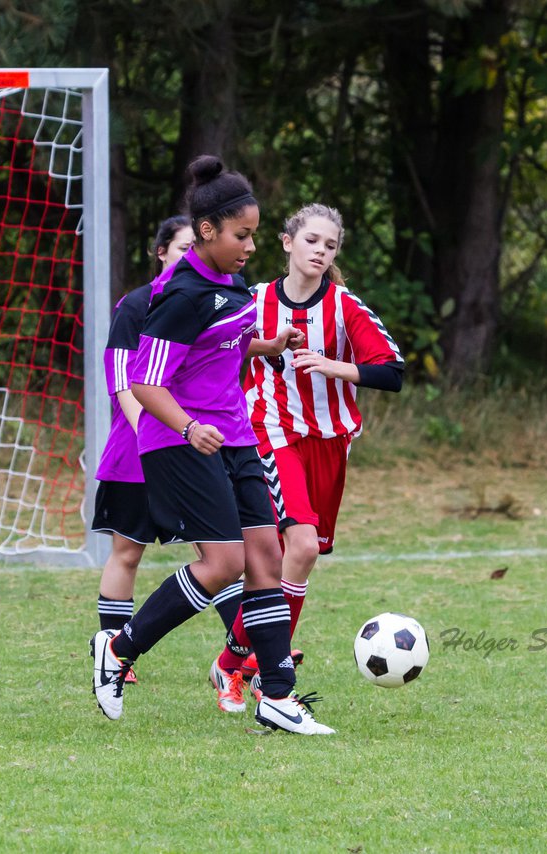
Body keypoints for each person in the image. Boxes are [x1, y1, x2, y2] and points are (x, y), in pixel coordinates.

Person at [90, 155, 334, 735]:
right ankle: (119, 650)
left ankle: (277, 695)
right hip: (181, 441)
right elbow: (146, 381)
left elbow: (222, 344)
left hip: (234, 433)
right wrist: (187, 428)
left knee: (266, 558)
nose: (250, 246)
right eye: (241, 235)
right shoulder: (180, 295)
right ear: (207, 232)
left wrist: (268, 345)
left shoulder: (229, 282)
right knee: (223, 564)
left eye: (252, 234)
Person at [212, 203, 404, 700]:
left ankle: (233, 659)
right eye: (312, 240)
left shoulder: (344, 307)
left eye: (331, 245)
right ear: (287, 242)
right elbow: (212, 353)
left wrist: (329, 365)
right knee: (293, 548)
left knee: (299, 557)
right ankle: (263, 671)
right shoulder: (250, 300)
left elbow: (392, 371)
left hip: (329, 442)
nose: (321, 251)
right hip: (269, 433)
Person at [91, 216, 201, 685]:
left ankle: (248, 652)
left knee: (221, 551)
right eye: (182, 249)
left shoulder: (204, 302)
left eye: (196, 249)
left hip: (194, 446)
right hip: (137, 453)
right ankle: (114, 650)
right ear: (161, 253)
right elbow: (123, 384)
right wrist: (157, 438)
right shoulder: (136, 305)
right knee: (127, 553)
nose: (190, 257)